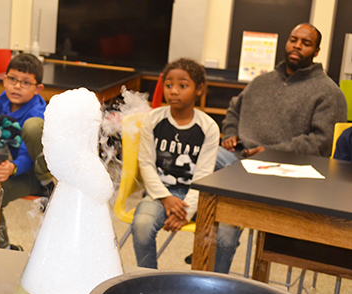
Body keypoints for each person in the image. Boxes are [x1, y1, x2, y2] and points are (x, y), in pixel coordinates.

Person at [214, 23, 347, 273]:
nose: (297, 45)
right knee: (205, 152)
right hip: (239, 161)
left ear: (316, 51)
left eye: (305, 43)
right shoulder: (262, 81)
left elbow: (321, 141)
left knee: (225, 227)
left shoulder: (329, 92)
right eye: (293, 39)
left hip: (284, 173)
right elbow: (234, 108)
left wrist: (271, 152)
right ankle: (190, 213)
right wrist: (230, 132)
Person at [131, 58, 220, 268]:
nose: (173, 91)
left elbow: (204, 175)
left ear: (199, 90)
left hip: (197, 196)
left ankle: (208, 284)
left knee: (223, 233)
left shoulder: (209, 127)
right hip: (159, 193)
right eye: (169, 85)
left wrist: (186, 211)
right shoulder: (151, 120)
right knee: (142, 225)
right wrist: (165, 198)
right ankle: (148, 281)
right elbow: (146, 164)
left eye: (183, 85)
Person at [0, 53, 54, 249]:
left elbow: (27, 153)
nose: (17, 86)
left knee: (33, 127)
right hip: (12, 165)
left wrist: (12, 168)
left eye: (25, 83)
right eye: (13, 79)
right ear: (5, 79)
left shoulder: (37, 111)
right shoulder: (3, 99)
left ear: (38, 89)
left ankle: (47, 183)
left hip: (31, 171)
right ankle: (5, 248)